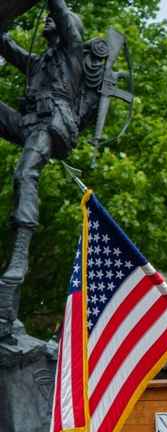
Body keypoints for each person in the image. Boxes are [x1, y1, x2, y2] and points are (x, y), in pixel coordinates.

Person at [0, 0, 84, 286]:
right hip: (27, 123)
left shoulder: (73, 54)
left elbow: (60, 13)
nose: (49, 19)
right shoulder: (37, 63)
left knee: (25, 173)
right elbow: (6, 46)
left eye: (56, 19)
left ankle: (20, 256)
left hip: (51, 125)